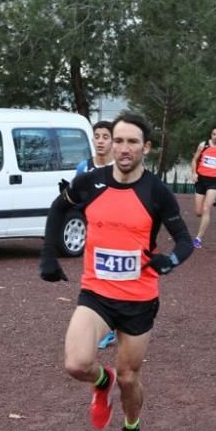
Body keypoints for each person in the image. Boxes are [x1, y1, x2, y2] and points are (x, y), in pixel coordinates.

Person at [39, 112, 193, 431]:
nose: (124, 149)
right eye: (118, 140)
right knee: (76, 364)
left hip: (139, 298)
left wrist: (169, 261)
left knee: (129, 378)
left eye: (132, 142)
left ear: (146, 147)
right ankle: (100, 379)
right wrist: (48, 257)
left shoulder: (157, 192)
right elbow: (57, 209)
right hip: (96, 293)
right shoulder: (89, 182)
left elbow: (184, 240)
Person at [72, 120, 117, 350]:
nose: (100, 141)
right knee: (95, 282)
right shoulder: (83, 167)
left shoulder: (120, 168)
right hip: (93, 235)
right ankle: (102, 325)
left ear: (112, 141)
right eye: (97, 136)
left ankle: (110, 328)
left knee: (112, 280)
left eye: (105, 137)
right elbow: (75, 197)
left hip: (118, 236)